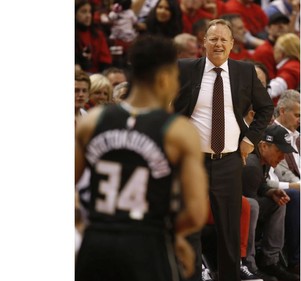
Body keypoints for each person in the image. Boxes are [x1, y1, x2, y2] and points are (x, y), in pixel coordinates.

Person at [75, 35, 209, 281]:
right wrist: (174, 236)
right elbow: (196, 212)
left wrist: (84, 226)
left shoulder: (91, 122)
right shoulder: (178, 132)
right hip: (148, 244)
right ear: (164, 77)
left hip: (96, 243)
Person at [173, 19, 274, 281]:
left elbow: (265, 108)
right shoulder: (184, 69)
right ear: (203, 43)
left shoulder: (245, 72)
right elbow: (167, 105)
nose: (218, 44)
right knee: (190, 228)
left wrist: (251, 139)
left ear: (232, 44)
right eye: (213, 39)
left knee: (229, 231)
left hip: (229, 161)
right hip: (192, 162)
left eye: (223, 40)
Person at [242, 124, 300, 281]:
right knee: (252, 207)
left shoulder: (263, 159)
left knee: (279, 201)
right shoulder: (252, 164)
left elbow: (260, 186)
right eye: (279, 151)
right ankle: (248, 264)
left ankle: (270, 261)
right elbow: (247, 210)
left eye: (285, 152)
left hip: (246, 206)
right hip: (230, 213)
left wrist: (271, 192)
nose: (283, 157)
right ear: (263, 145)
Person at [271, 90, 301, 274]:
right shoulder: (271, 135)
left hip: (296, 184)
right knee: (296, 195)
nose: (300, 119)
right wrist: (296, 185)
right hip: (280, 187)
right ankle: (297, 260)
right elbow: (277, 175)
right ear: (282, 111)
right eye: (297, 115)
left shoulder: (299, 137)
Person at [75, 0, 112, 73]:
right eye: (83, 12)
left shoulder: (97, 34)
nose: (88, 15)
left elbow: (105, 60)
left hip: (96, 76)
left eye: (90, 12)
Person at [252, 12, 290, 79]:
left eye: (284, 23)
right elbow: (268, 81)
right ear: (268, 28)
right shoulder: (264, 51)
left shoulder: (289, 48)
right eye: (276, 23)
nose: (281, 26)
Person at [268, 33, 300, 104]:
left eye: (275, 48)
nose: (273, 51)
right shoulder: (295, 65)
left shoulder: (291, 68)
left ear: (281, 52)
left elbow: (275, 88)